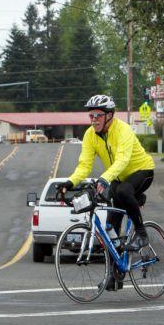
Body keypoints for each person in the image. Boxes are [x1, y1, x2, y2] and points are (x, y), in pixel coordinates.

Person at [60, 94, 155, 288]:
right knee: (111, 229)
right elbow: (84, 165)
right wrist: (69, 183)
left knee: (123, 191)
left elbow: (123, 160)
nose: (94, 119)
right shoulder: (89, 135)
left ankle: (142, 234)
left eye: (98, 115)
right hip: (117, 178)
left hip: (141, 171)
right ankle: (115, 276)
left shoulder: (123, 130)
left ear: (110, 115)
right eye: (91, 115)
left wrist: (104, 178)